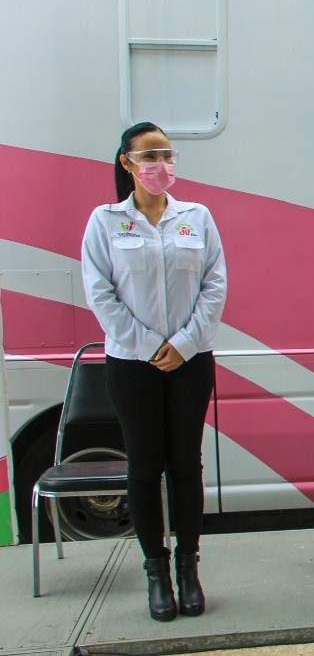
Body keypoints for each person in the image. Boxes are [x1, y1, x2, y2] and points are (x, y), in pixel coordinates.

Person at [81, 121, 227, 621]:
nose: (160, 164)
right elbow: (101, 295)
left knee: (186, 465)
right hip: (131, 364)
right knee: (144, 468)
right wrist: (149, 346)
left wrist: (183, 345)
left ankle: (188, 568)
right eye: (150, 156)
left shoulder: (197, 217)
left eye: (167, 155)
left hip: (191, 361)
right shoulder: (105, 222)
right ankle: (156, 572)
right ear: (127, 162)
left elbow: (215, 286)